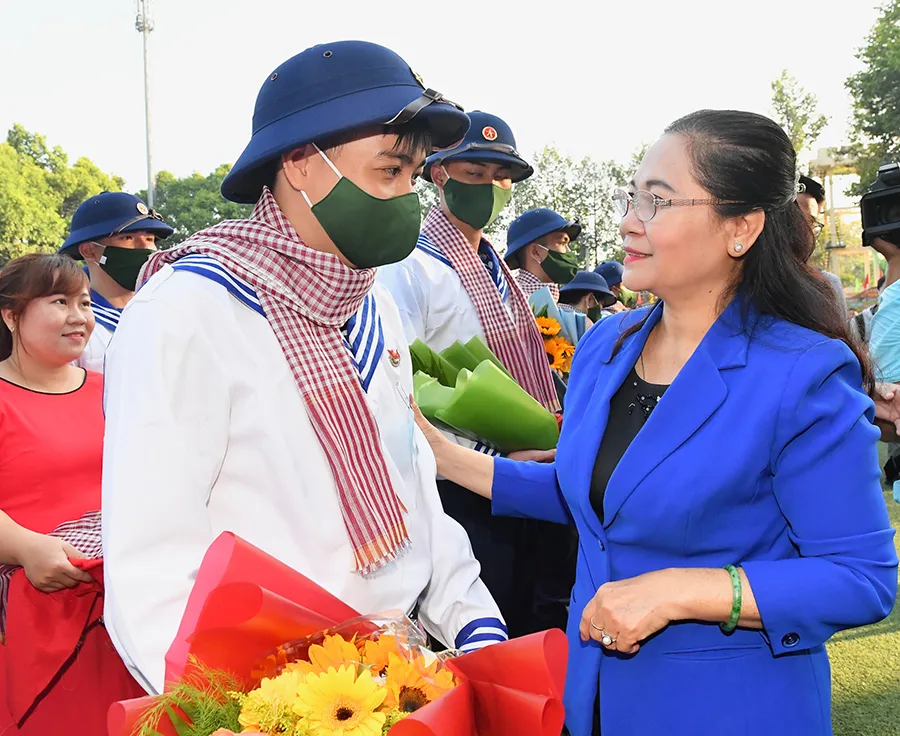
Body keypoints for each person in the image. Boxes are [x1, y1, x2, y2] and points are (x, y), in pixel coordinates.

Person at [411, 110, 898, 735]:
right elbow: (599, 496)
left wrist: (678, 591)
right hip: (592, 698)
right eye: (632, 198)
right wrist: (441, 456)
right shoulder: (607, 347)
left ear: (741, 228)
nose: (628, 223)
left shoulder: (800, 374)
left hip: (729, 709)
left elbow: (859, 579)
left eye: (658, 202)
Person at [101, 41, 510, 695]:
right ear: (299, 163)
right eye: (388, 172)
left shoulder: (373, 301)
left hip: (396, 679)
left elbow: (415, 493)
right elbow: (151, 570)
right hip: (272, 696)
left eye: (413, 176)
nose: (409, 197)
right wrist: (238, 715)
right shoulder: (186, 311)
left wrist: (473, 624)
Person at [378, 111, 570, 637]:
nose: (491, 186)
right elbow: (402, 387)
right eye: (475, 173)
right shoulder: (409, 264)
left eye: (501, 176)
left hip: (523, 473)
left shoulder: (498, 267)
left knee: (535, 616)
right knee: (482, 619)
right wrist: (486, 457)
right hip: (458, 482)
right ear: (439, 174)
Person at [0, 254, 143, 735]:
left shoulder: (118, 390)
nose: (79, 315)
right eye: (59, 301)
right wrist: (26, 546)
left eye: (84, 301)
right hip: (37, 620)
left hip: (127, 615)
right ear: (11, 315)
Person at [58, 192, 174, 372]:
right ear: (89, 251)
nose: (146, 249)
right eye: (128, 238)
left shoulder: (168, 312)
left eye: (150, 239)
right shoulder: (71, 325)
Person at [797, 175, 849, 318]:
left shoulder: (828, 287)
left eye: (811, 222)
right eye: (796, 218)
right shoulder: (738, 284)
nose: (804, 230)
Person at [504, 208, 582, 301]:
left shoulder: (551, 300)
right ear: (535, 252)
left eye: (567, 245)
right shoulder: (513, 302)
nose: (568, 251)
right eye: (562, 243)